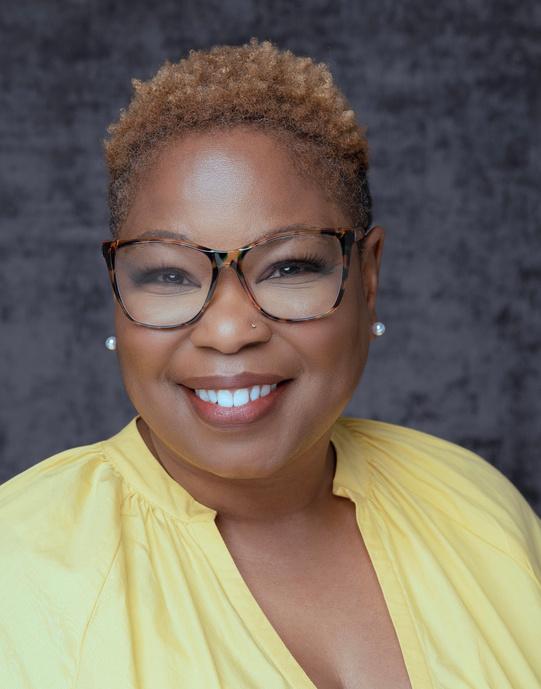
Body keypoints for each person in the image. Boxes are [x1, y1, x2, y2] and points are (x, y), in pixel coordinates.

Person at [0, 38, 540, 689]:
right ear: (118, 291)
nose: (229, 331)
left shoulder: (477, 507)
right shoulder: (19, 570)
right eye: (168, 274)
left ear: (367, 277)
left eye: (288, 268)